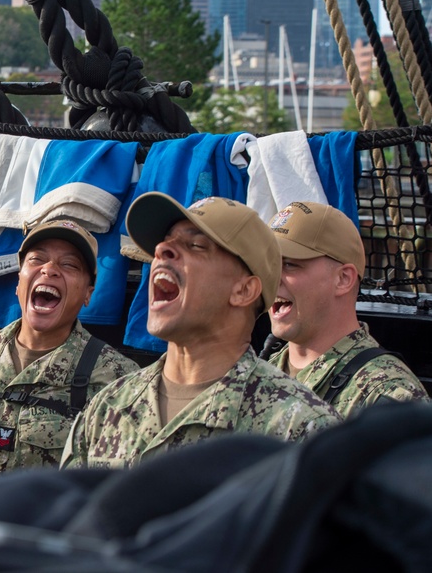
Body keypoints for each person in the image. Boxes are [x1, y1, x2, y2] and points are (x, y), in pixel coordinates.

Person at [62, 193, 340, 470]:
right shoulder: (107, 407)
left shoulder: (301, 428)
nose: (161, 251)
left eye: (196, 245)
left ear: (244, 290)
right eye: (164, 243)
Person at [0, 219, 138, 482]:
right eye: (36, 259)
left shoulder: (117, 380)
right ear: (19, 283)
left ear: (89, 293)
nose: (49, 269)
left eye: (69, 265)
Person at [265, 201, 428, 416]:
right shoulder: (262, 371)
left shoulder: (388, 399)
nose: (272, 277)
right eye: (270, 264)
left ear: (343, 279)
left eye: (290, 264)